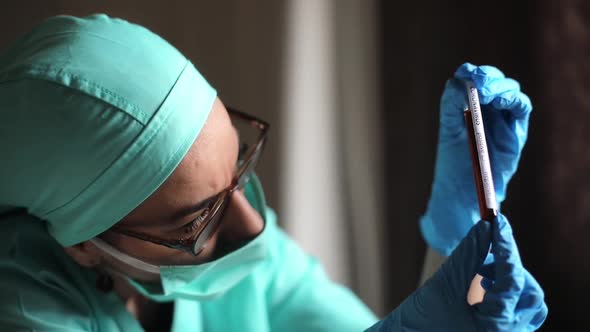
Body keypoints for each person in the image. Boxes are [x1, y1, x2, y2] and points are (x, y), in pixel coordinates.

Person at [0, 14, 547, 331]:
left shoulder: (236, 253)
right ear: (83, 245)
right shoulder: (25, 311)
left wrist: (455, 237)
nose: (255, 225)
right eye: (195, 222)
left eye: (238, 167)